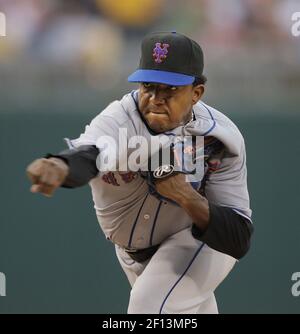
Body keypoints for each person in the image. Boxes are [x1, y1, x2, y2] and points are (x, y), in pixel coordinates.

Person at [26, 31, 254, 314]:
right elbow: (89, 154)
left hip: (197, 243)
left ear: (196, 93)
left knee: (150, 308)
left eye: (170, 89)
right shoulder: (120, 118)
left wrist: (186, 197)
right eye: (149, 86)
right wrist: (60, 164)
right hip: (132, 255)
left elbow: (238, 237)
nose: (156, 98)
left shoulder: (221, 137)